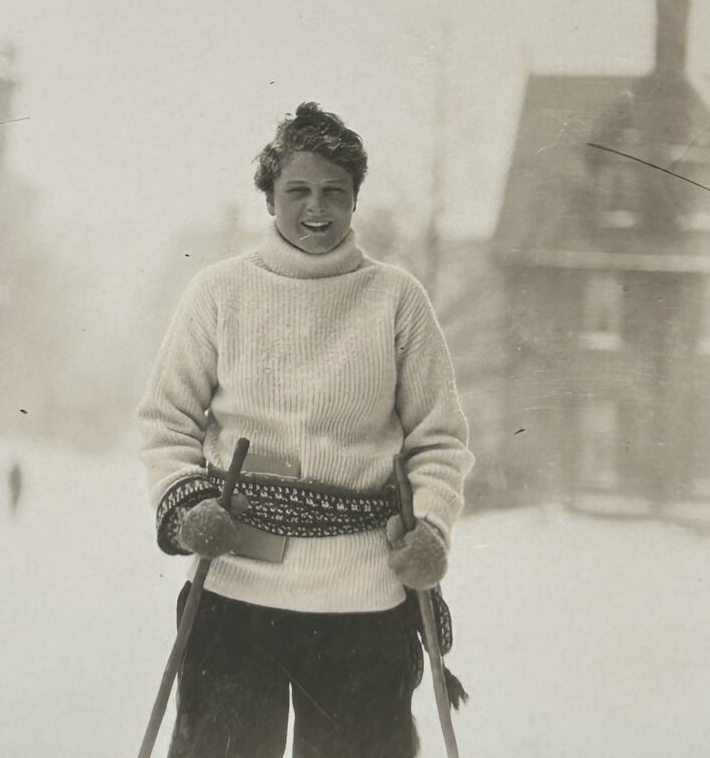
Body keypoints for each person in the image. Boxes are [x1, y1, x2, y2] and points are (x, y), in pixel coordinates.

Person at [136, 103, 473, 758]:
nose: (316, 208)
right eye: (298, 190)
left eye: (333, 192)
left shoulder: (396, 299)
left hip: (362, 600)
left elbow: (439, 438)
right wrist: (185, 504)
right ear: (270, 197)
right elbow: (166, 420)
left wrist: (430, 526)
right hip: (234, 589)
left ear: (354, 200)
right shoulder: (219, 292)